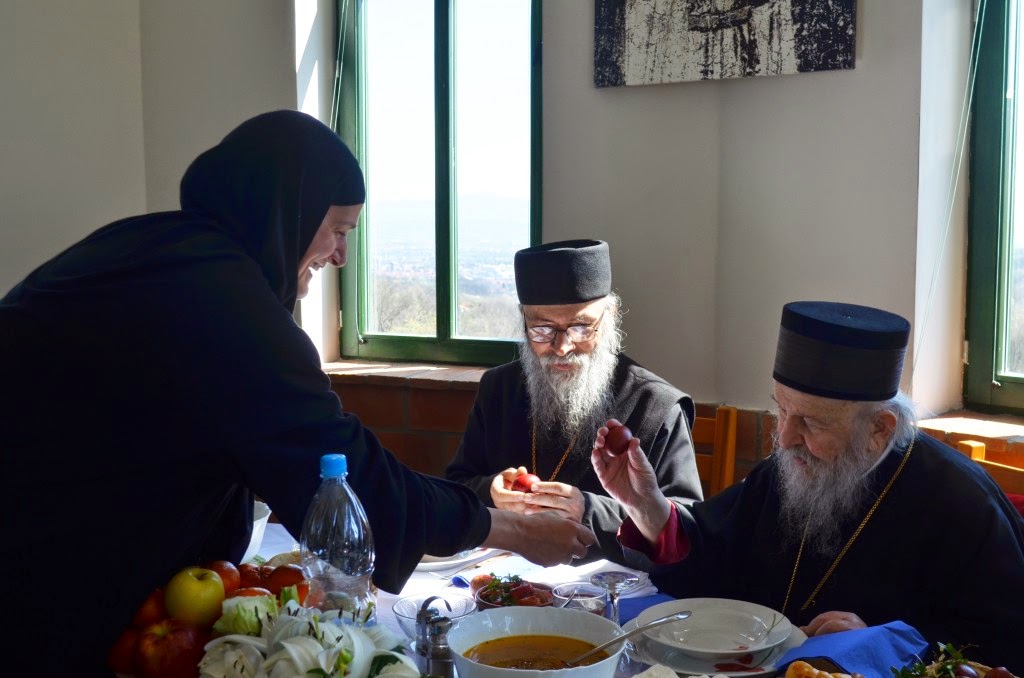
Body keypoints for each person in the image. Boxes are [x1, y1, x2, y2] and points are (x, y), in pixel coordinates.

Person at [0, 110, 595, 674]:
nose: (340, 255)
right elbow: (350, 482)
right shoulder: (222, 303)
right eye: (337, 229)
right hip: (40, 593)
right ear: (285, 211)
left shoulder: (153, 248)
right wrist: (513, 530)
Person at [591, 301, 1024, 671]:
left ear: (880, 428)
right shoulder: (789, 470)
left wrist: (879, 643)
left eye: (810, 422)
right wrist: (647, 507)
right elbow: (715, 562)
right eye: (781, 411)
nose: (784, 438)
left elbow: (1001, 647)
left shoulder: (962, 505)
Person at [445, 239, 702, 565]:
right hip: (502, 577)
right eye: (542, 329)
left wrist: (588, 510)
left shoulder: (657, 406)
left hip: (609, 585)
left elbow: (685, 531)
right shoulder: (499, 388)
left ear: (609, 317)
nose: (563, 347)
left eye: (580, 328)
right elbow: (456, 487)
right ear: (524, 322)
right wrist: (490, 491)